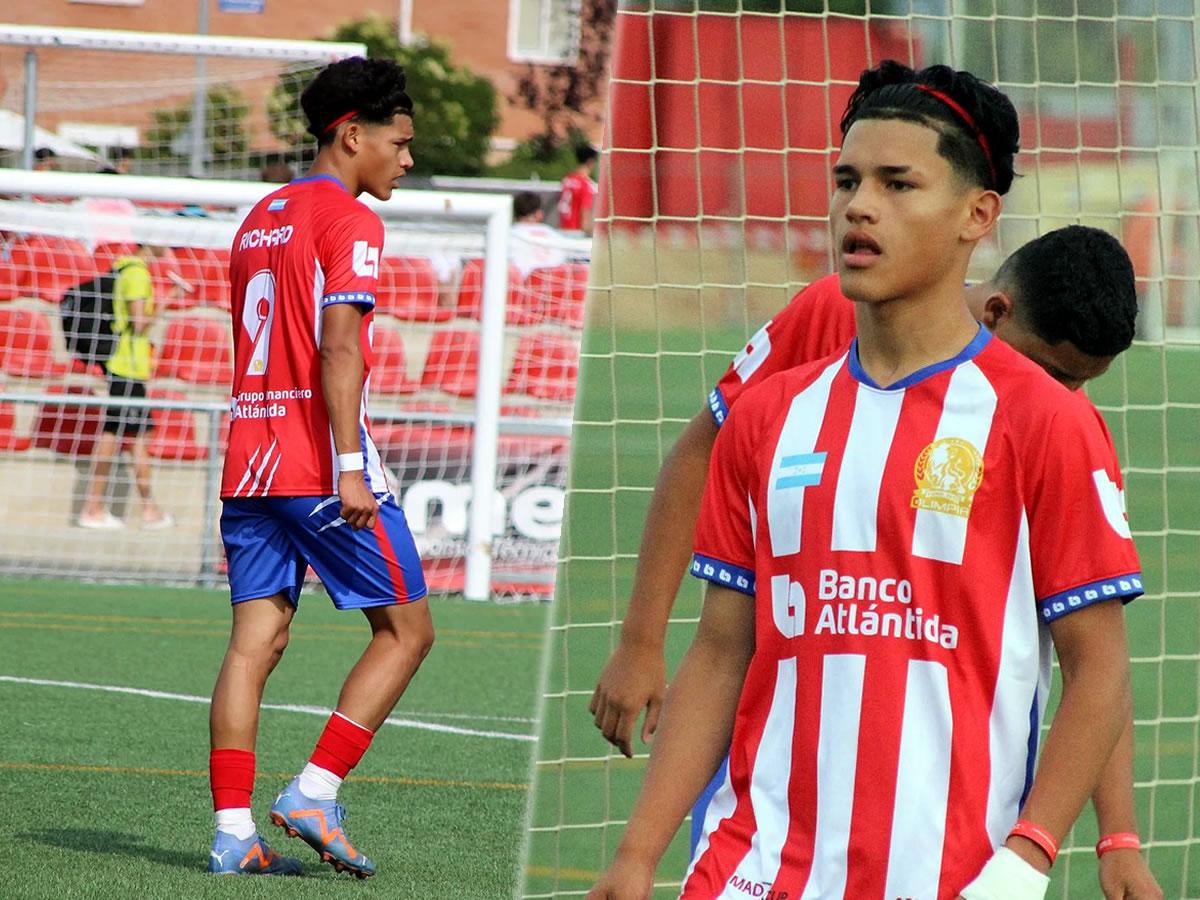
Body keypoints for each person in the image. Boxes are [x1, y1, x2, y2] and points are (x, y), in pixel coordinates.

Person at [589, 61, 1144, 900]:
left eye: (897, 183)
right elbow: (722, 646)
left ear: (977, 215)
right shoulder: (774, 407)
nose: (858, 204)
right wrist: (635, 856)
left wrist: (1045, 853)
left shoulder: (1048, 424)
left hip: (945, 870)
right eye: (847, 180)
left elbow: (1097, 665)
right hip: (753, 866)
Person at [206, 56, 433, 878]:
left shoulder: (258, 217)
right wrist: (349, 466)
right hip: (315, 467)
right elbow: (339, 347)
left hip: (249, 462)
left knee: (254, 644)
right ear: (352, 135)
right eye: (399, 143)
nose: (407, 159)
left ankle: (233, 836)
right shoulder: (350, 221)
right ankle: (314, 790)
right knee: (407, 631)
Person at [77, 244, 174, 531]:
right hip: (126, 367)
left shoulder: (126, 268)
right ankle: (96, 508)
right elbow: (139, 323)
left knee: (134, 434)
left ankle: (145, 509)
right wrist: (167, 301)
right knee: (124, 435)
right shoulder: (136, 273)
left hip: (127, 367)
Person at [558, 143, 599, 234]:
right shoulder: (585, 185)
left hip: (562, 231)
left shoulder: (567, 180)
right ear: (590, 162)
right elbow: (584, 218)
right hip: (576, 234)